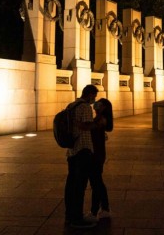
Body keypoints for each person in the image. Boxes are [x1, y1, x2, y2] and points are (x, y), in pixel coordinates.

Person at [64, 84, 98, 229]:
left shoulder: (71, 105)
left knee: (70, 184)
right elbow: (86, 126)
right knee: (80, 185)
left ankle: (69, 215)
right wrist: (96, 125)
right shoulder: (85, 107)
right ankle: (77, 218)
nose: (94, 100)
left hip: (71, 151)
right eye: (94, 96)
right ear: (90, 94)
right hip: (83, 149)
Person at [87, 98, 113, 220]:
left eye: (100, 104)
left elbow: (89, 128)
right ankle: (105, 209)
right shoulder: (99, 118)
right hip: (97, 153)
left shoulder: (100, 119)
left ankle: (94, 211)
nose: (96, 104)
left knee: (96, 183)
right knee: (97, 182)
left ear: (103, 108)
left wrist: (77, 123)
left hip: (96, 154)